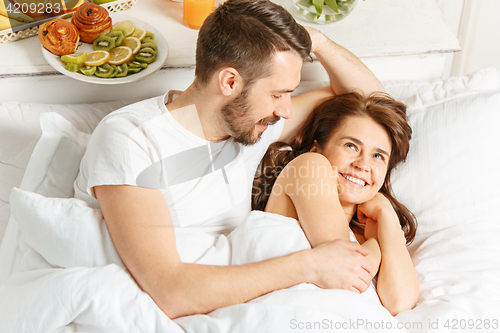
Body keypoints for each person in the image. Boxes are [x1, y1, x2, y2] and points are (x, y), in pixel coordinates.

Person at [74, 0, 386, 318]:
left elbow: (374, 107)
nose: (286, 110)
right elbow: (171, 292)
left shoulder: (252, 128)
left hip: (249, 297)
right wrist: (311, 265)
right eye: (277, 94)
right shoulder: (132, 138)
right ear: (230, 83)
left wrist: (314, 40)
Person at [251, 92, 419, 315]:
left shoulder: (365, 233)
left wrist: (387, 215)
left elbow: (400, 302)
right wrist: (377, 244)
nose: (363, 165)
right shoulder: (309, 166)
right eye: (351, 146)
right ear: (316, 148)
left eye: (378, 156)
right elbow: (346, 263)